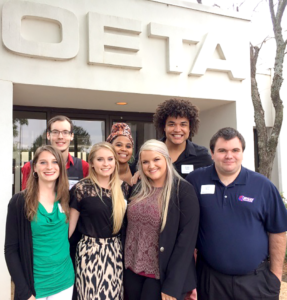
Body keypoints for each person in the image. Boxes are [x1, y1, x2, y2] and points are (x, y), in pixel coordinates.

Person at [186, 127, 287, 300]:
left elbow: (278, 232)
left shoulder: (263, 186)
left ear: (242, 153)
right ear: (212, 153)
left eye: (235, 150)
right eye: (222, 150)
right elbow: (185, 229)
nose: (229, 155)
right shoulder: (195, 181)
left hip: (255, 283)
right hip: (210, 282)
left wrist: (276, 277)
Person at [124, 139, 199, 300]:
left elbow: (186, 242)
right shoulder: (138, 188)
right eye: (145, 162)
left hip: (161, 275)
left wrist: (173, 284)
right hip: (132, 271)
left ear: (167, 160)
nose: (151, 165)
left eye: (156, 159)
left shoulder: (183, 191)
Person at [5, 145, 74, 300]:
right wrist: (25, 292)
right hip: (35, 288)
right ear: (34, 167)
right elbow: (10, 251)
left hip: (65, 283)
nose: (49, 167)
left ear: (61, 167)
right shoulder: (19, 202)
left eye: (55, 162)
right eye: (43, 162)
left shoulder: (67, 197)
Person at [69, 142, 127, 300]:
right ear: (92, 163)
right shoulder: (82, 188)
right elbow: (70, 229)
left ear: (115, 162)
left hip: (116, 253)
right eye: (100, 159)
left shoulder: (124, 188)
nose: (106, 164)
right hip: (89, 254)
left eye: (110, 159)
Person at [21, 115, 89, 190]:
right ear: (48, 135)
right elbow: (26, 198)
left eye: (65, 132)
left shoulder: (84, 167)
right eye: (55, 132)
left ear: (72, 136)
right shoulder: (30, 167)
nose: (60, 137)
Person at [153, 98, 213, 178]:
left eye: (183, 124)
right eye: (172, 124)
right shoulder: (150, 151)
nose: (177, 130)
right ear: (164, 127)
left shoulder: (202, 156)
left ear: (190, 128)